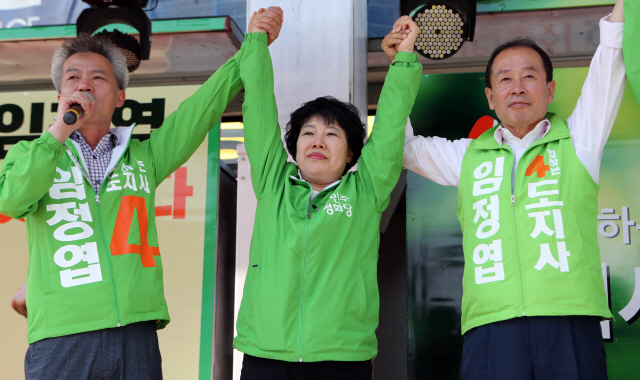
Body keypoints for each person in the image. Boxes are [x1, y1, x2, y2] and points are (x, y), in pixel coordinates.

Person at [0, 8, 282, 379]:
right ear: (60, 93)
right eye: (73, 77)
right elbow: (11, 200)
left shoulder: (143, 157)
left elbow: (200, 110)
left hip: (135, 334)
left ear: (119, 97)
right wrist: (58, 133)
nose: (84, 85)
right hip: (60, 338)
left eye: (98, 78)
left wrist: (254, 43)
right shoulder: (29, 154)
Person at [383, 1, 627, 379]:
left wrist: (622, 11)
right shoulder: (467, 157)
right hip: (491, 326)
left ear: (549, 90)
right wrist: (400, 64)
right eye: (504, 79)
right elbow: (398, 146)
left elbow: (609, 62)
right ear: (490, 97)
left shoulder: (580, 142)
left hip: (569, 321)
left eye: (529, 77)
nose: (517, 88)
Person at [232, 14, 422, 380]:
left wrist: (403, 59)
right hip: (265, 355)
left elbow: (390, 125)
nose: (318, 140)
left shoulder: (365, 190)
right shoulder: (274, 184)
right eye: (309, 132)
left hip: (342, 358)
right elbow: (256, 107)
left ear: (352, 153)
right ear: (294, 146)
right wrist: (256, 43)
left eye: (332, 134)